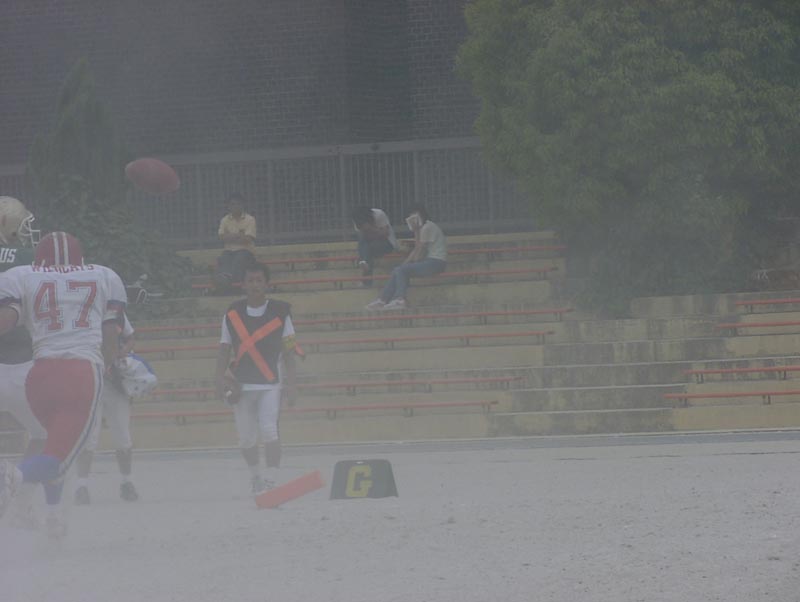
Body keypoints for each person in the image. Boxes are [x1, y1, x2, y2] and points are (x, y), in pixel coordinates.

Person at [0, 231, 127, 539]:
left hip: (39, 376)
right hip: (81, 373)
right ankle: (13, 475)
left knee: (54, 448)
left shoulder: (21, 275)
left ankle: (53, 516)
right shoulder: (104, 275)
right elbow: (111, 334)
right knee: (57, 460)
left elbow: (6, 321)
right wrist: (108, 363)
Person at [215, 261, 298, 495]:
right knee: (246, 439)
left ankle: (271, 479)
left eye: (259, 280)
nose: (255, 285)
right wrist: (218, 379)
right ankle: (256, 477)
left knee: (270, 430)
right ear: (243, 284)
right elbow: (224, 349)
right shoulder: (232, 313)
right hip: (241, 384)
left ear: (267, 284)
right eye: (250, 280)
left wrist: (292, 384)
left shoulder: (281, 312)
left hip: (270, 383)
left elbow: (289, 351)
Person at [74, 313, 157, 505]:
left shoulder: (115, 312)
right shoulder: (83, 310)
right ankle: (81, 485)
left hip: (115, 381)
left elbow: (130, 337)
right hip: (90, 379)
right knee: (88, 437)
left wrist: (121, 353)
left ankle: (126, 481)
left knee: (122, 435)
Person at [365, 205, 447, 311]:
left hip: (436, 262)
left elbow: (418, 254)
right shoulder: (424, 228)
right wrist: (404, 264)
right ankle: (382, 300)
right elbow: (417, 249)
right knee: (398, 270)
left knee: (401, 270)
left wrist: (416, 231)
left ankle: (399, 299)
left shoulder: (427, 227)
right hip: (431, 261)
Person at [216, 193, 256, 292]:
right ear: (228, 206)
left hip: (246, 252)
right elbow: (221, 237)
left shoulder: (250, 219)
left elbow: (248, 239)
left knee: (239, 257)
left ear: (243, 205)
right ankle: (225, 279)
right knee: (223, 257)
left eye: (238, 204)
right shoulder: (224, 220)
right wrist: (239, 235)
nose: (235, 206)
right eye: (232, 204)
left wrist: (229, 236)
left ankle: (228, 281)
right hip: (229, 251)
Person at [351, 206, 398, 286]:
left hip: (387, 243)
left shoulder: (379, 214)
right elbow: (362, 236)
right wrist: (370, 233)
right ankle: (365, 262)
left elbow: (386, 233)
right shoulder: (357, 221)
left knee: (367, 250)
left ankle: (364, 267)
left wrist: (371, 229)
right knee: (365, 245)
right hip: (370, 244)